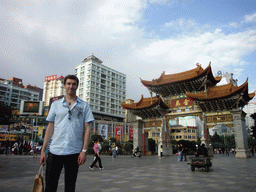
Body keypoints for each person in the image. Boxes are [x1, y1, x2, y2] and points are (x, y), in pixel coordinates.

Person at [40, 75, 94, 192]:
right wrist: (43, 150)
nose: (71, 86)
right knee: (50, 186)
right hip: (55, 150)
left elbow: (88, 128)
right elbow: (50, 127)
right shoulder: (55, 104)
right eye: (68, 84)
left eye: (74, 84)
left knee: (70, 186)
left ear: (77, 86)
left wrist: (84, 151)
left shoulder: (84, 106)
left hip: (74, 151)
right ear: (64, 85)